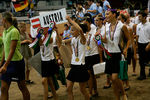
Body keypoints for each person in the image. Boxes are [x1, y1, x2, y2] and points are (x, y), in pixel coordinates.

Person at [55, 15, 90, 100]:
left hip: (81, 66)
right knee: (68, 88)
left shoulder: (83, 39)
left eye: (73, 30)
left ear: (77, 31)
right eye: (71, 30)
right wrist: (56, 31)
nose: (71, 32)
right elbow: (60, 42)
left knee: (82, 90)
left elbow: (81, 30)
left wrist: (70, 20)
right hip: (74, 66)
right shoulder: (73, 39)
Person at [0, 11, 30, 100]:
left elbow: (12, 50)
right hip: (7, 62)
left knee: (22, 87)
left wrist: (5, 65)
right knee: (4, 88)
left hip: (16, 63)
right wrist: (2, 62)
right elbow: (6, 49)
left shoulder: (14, 31)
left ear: (4, 20)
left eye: (1, 19)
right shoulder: (5, 31)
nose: (1, 21)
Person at [102, 9, 130, 100]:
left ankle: (124, 93)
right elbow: (104, 40)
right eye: (105, 14)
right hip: (108, 54)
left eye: (108, 14)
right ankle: (117, 97)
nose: (106, 16)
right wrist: (98, 39)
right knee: (112, 80)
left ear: (114, 15)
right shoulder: (106, 26)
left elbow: (128, 39)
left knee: (114, 78)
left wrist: (125, 49)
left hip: (118, 53)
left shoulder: (122, 26)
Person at [39, 29, 59, 100]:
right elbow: (40, 44)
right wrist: (38, 36)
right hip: (43, 61)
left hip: (49, 61)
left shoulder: (51, 37)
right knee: (50, 81)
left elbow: (48, 41)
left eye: (44, 29)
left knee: (44, 81)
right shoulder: (40, 37)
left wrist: (43, 36)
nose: (42, 30)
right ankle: (55, 97)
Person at [135, 10, 150, 80]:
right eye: (138, 17)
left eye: (140, 17)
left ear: (144, 17)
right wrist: (137, 45)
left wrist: (149, 45)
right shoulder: (138, 26)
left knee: (149, 59)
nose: (139, 18)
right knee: (141, 61)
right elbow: (137, 36)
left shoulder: (149, 25)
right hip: (140, 44)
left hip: (148, 44)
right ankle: (142, 74)